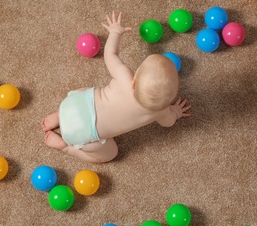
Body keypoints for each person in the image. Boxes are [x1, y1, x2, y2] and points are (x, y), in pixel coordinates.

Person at [41, 11, 191, 163]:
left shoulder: (125, 77)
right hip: (83, 135)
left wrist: (115, 32)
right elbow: (169, 122)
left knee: (88, 94)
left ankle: (61, 119)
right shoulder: (161, 112)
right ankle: (66, 147)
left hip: (74, 103)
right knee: (109, 153)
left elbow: (110, 54)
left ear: (135, 80)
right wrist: (176, 112)